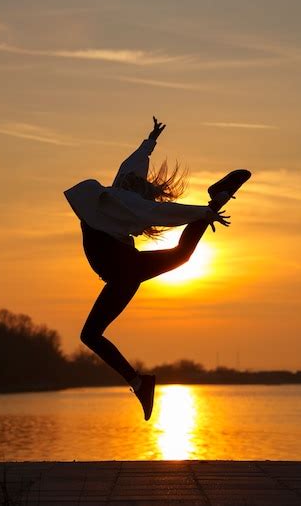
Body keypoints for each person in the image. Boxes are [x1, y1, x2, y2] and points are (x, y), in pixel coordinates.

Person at [64, 117, 250, 420]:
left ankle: (139, 383)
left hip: (123, 270)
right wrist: (205, 212)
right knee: (182, 256)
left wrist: (149, 141)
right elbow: (160, 202)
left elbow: (136, 168)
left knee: (91, 335)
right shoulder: (133, 201)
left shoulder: (119, 193)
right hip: (124, 270)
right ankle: (217, 197)